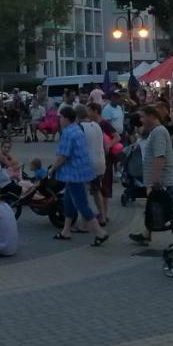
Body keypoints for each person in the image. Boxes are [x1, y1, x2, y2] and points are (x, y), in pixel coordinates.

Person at [49, 106, 110, 246]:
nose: (59, 120)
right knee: (68, 201)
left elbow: (63, 156)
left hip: (73, 174)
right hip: (81, 171)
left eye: (60, 117)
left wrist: (52, 169)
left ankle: (100, 232)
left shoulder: (68, 133)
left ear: (65, 118)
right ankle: (66, 230)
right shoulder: (78, 129)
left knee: (81, 204)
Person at [129, 105, 173, 246]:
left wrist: (154, 180)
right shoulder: (155, 132)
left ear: (151, 116)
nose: (141, 120)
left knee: (172, 211)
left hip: (162, 180)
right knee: (152, 207)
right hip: (158, 179)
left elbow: (159, 157)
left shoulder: (158, 132)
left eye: (143, 116)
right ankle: (146, 234)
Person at [77, 105, 108, 224]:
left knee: (83, 193)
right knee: (96, 190)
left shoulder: (80, 127)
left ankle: (85, 220)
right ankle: (103, 216)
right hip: (100, 162)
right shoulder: (96, 125)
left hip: (87, 165)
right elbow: (104, 146)